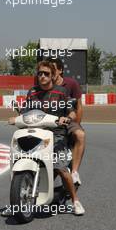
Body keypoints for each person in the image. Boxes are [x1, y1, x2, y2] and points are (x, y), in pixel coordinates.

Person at [8, 61, 85, 215]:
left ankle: (75, 201)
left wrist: (67, 118)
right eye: (40, 73)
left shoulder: (61, 92)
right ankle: (17, 202)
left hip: (56, 134)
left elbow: (71, 111)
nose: (42, 76)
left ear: (53, 75)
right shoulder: (32, 92)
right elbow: (24, 111)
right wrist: (15, 118)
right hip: (35, 132)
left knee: (60, 168)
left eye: (46, 73)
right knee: (18, 159)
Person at [45, 57, 86, 186]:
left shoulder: (72, 84)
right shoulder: (44, 84)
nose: (49, 73)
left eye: (53, 69)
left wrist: (76, 125)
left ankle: (74, 172)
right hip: (48, 122)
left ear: (60, 70)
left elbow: (78, 107)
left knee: (80, 135)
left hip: (68, 120)